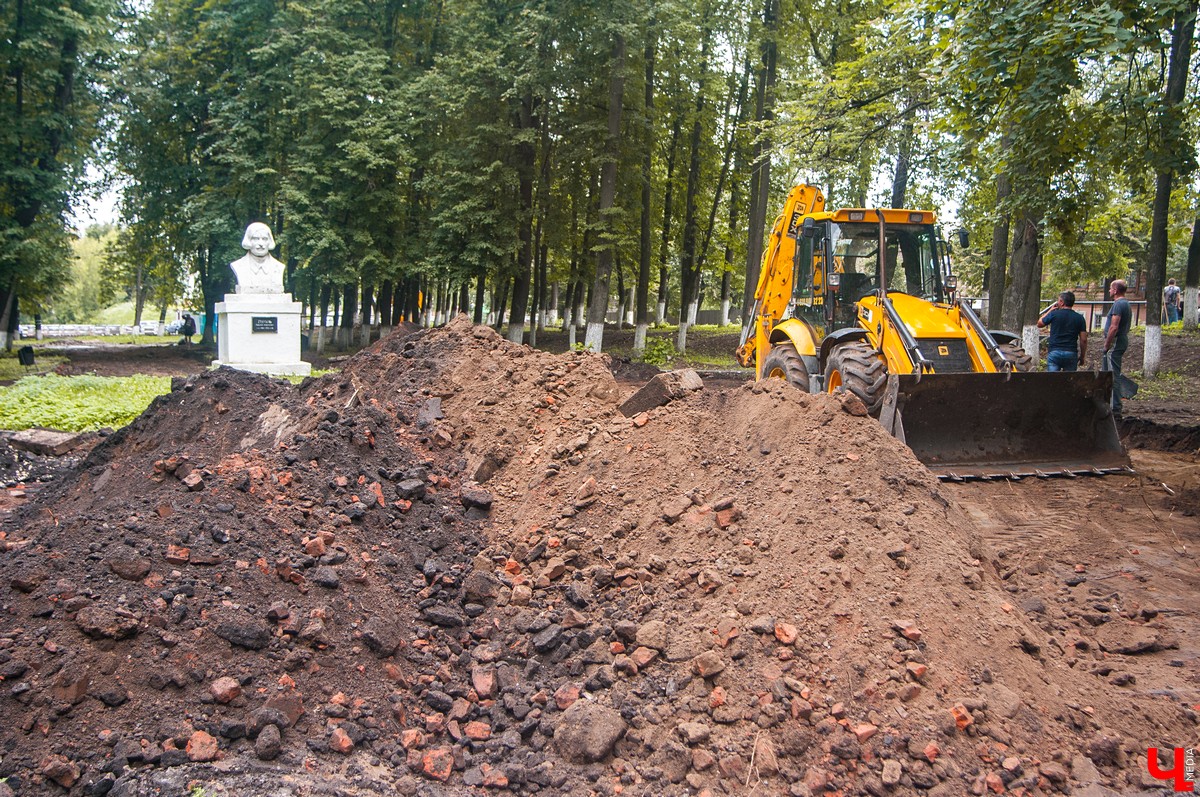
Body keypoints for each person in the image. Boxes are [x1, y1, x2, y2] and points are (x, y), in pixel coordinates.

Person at [1102, 279, 1132, 418]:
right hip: (1120, 340)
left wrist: (1107, 345)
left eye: (1110, 288)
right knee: (1111, 373)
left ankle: (1115, 409)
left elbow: (1114, 327)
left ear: (1115, 290)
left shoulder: (1119, 304)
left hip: (1115, 342)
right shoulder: (1125, 303)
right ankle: (1111, 404)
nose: (1109, 290)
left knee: (1113, 375)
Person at [1037, 291, 1087, 371]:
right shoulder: (1080, 318)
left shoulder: (1054, 314)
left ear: (1062, 302)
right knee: (1069, 381)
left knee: (1052, 381)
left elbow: (1039, 323)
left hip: (1054, 352)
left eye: (1058, 300)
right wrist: (1082, 356)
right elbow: (1083, 340)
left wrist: (1050, 310)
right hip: (1071, 353)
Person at [229, 222, 286, 294]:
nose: (261, 244)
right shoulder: (238, 266)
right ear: (248, 240)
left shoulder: (278, 267)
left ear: (269, 241)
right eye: (256, 239)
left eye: (265, 239)